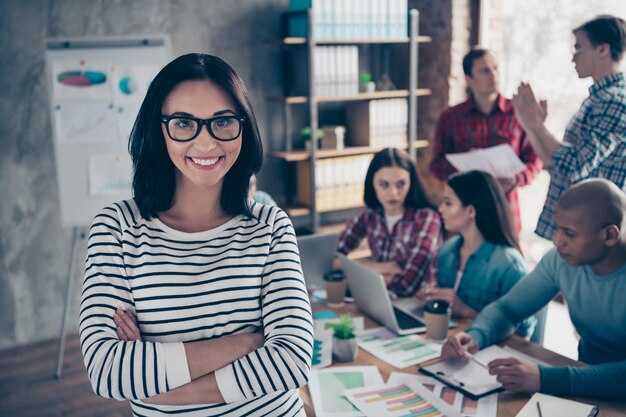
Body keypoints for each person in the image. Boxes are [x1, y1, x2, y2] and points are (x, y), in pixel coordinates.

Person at [78, 53, 313, 417]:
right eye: (184, 123)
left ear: (243, 127)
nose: (205, 144)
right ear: (159, 129)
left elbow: (294, 358)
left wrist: (162, 391)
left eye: (222, 122)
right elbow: (107, 371)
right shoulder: (117, 228)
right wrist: (249, 342)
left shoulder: (270, 226)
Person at [442, 179, 626, 400]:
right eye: (557, 228)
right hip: (586, 382)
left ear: (610, 236)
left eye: (569, 233)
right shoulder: (559, 260)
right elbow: (507, 309)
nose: (556, 241)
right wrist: (476, 335)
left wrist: (544, 378)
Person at [512, 15, 626, 240]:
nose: (573, 58)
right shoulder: (598, 99)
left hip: (590, 235)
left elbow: (575, 164)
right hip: (575, 232)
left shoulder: (614, 101)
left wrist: (536, 125)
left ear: (603, 49)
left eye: (579, 48)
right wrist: (530, 126)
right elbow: (556, 164)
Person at [430, 47, 542, 233]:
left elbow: (534, 159)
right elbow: (436, 165)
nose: (494, 75)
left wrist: (516, 179)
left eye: (496, 68)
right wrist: (466, 169)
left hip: (505, 209)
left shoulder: (517, 113)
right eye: (485, 71)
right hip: (465, 210)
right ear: (469, 79)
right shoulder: (450, 117)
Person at [418, 170, 536, 337]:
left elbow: (523, 335)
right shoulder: (446, 250)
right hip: (450, 341)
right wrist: (432, 297)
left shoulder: (509, 265)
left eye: (448, 203)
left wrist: (465, 310)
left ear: (471, 211)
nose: (440, 209)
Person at [337, 147, 442, 297]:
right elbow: (333, 259)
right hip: (377, 296)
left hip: (415, 304)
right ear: (372, 183)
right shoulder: (370, 213)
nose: (393, 193)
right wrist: (377, 267)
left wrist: (355, 271)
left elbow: (405, 285)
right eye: (384, 185)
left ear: (411, 183)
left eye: (400, 184)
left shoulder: (427, 219)